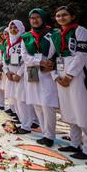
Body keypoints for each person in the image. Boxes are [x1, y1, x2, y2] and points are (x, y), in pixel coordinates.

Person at [51, 6, 87, 159]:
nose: (61, 18)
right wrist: (57, 75)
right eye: (58, 15)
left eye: (64, 15)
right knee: (69, 109)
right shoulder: (56, 35)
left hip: (77, 73)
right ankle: (75, 143)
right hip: (62, 72)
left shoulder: (80, 31)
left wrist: (69, 75)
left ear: (72, 16)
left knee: (83, 110)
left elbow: (82, 55)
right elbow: (54, 56)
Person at [20, 10, 58, 142]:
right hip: (32, 72)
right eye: (32, 18)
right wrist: (39, 61)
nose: (34, 20)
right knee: (36, 104)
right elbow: (24, 56)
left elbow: (56, 51)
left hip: (47, 72)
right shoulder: (26, 37)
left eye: (37, 18)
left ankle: (50, 135)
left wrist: (50, 62)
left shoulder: (53, 34)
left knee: (47, 104)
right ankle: (45, 133)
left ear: (43, 18)